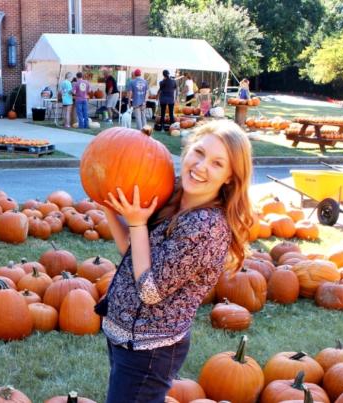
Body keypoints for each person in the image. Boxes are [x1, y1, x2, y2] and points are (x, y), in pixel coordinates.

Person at [99, 120, 254, 403]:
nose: (201, 166)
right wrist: (109, 208)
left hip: (149, 350)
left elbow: (150, 290)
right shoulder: (174, 195)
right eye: (199, 152)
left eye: (218, 164)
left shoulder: (205, 226)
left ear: (230, 177)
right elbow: (133, 253)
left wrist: (136, 223)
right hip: (125, 338)